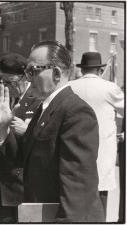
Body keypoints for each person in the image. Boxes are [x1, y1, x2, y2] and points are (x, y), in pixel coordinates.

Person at [0, 41, 105, 222]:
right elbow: (23, 159)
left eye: (33, 71)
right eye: (27, 72)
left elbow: (77, 189)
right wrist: (3, 130)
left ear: (56, 73)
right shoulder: (47, 108)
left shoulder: (75, 112)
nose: (27, 78)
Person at [0, 53, 41, 222]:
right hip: (5, 183)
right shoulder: (4, 99)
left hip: (26, 185)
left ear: (24, 77)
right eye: (3, 81)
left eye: (10, 82)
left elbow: (46, 142)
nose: (5, 86)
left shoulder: (38, 100)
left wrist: (27, 131)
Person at [69, 51, 124, 219]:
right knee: (100, 198)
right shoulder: (109, 88)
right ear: (99, 70)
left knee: (75, 199)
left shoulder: (70, 86)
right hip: (102, 151)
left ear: (83, 69)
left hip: (74, 151)